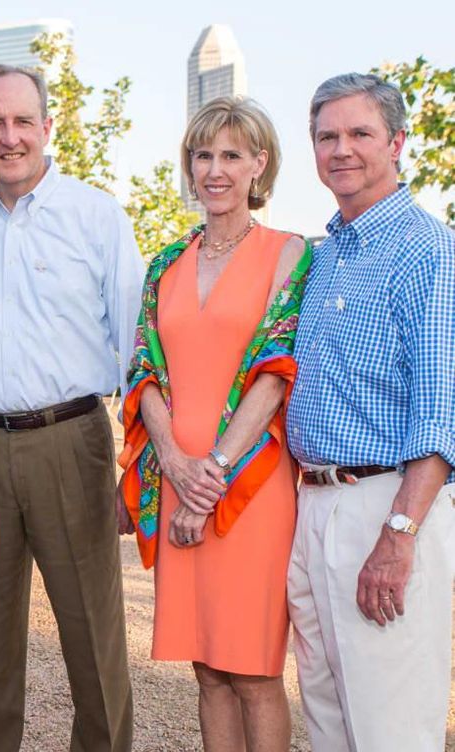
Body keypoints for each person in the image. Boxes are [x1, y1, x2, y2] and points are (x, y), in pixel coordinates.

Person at [0, 64, 142, 752]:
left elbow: (137, 345)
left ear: (49, 128)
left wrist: (135, 462)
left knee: (92, 637)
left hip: (72, 439)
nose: (10, 137)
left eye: (23, 122)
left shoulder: (97, 214)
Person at [118, 96, 310, 752]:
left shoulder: (290, 254)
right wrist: (174, 461)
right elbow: (145, 371)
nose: (216, 169)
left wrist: (213, 475)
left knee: (253, 671)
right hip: (179, 476)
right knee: (206, 670)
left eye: (232, 154)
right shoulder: (164, 263)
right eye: (204, 155)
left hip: (251, 486)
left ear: (260, 164)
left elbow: (274, 371)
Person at [286, 73, 455, 752]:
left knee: (391, 727)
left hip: (388, 503)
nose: (341, 149)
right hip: (314, 503)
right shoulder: (324, 257)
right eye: (327, 136)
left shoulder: (430, 250)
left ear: (398, 142)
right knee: (327, 714)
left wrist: (398, 534)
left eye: (359, 133)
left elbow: (442, 409)